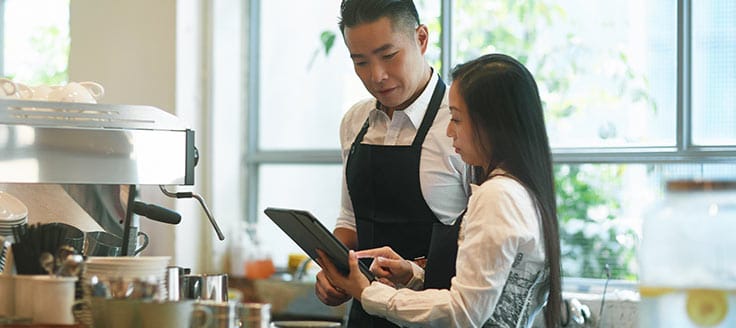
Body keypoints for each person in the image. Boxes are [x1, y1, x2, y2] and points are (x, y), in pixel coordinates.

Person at [317, 53, 563, 328]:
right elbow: (484, 292)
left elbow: (464, 312)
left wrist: (368, 291)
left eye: (456, 119)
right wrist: (413, 275)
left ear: (491, 124)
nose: (448, 131)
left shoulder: (498, 196)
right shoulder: (521, 191)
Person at [315, 0, 470, 326]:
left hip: (438, 316)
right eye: (360, 62)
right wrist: (332, 269)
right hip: (366, 314)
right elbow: (351, 220)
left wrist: (417, 272)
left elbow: (486, 245)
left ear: (422, 39)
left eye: (389, 56)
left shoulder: (462, 123)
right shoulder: (355, 121)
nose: (377, 76)